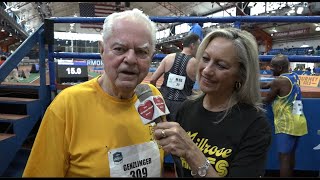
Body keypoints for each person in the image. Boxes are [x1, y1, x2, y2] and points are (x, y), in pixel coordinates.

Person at [23, 9, 165, 177]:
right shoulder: (67, 106)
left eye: (142, 52)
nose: (131, 59)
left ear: (151, 57)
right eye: (120, 49)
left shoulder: (152, 96)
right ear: (102, 50)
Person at [152, 28, 272, 177]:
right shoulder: (187, 108)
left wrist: (192, 152)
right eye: (205, 58)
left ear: (241, 75)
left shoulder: (255, 125)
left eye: (221, 65)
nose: (207, 70)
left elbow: (188, 155)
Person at [260, 54, 308, 177]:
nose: (270, 68)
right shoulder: (295, 76)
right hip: (299, 121)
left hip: (287, 124)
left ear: (280, 68)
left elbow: (266, 101)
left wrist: (249, 100)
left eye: (272, 67)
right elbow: (269, 85)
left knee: (284, 159)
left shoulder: (279, 81)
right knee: (290, 156)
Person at [150, 33, 200, 121]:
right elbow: (203, 89)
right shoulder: (196, 63)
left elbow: (153, 79)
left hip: (163, 102)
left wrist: (157, 95)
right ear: (192, 46)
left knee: (158, 130)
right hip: (183, 106)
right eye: (198, 45)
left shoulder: (168, 58)